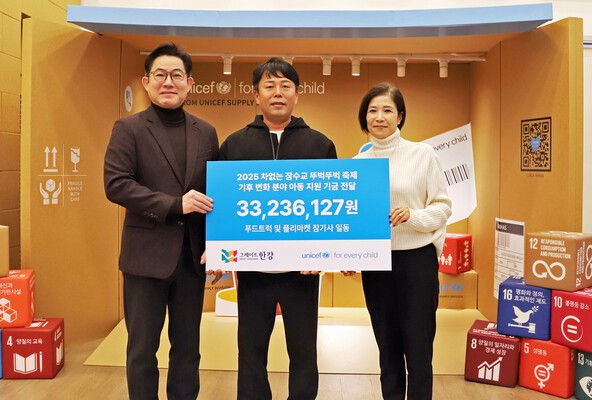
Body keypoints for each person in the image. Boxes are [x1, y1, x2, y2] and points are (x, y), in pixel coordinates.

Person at [104, 43, 219, 400]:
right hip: (145, 260)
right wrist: (173, 205)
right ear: (146, 81)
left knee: (188, 350)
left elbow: (215, 194)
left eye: (177, 75)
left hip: (191, 260)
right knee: (142, 351)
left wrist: (217, 246)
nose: (168, 82)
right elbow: (116, 184)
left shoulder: (206, 132)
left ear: (189, 83)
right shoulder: (129, 128)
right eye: (160, 75)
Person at [218, 57, 337, 400]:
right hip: (252, 270)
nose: (278, 92)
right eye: (269, 86)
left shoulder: (320, 145)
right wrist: (217, 252)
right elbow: (222, 204)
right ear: (256, 95)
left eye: (286, 86)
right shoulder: (234, 145)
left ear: (297, 94)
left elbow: (330, 205)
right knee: (250, 352)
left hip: (302, 271)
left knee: (304, 351)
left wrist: (325, 253)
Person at [352, 83, 451, 400]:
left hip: (416, 261)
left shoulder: (423, 154)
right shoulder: (358, 163)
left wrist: (413, 215)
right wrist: (349, 256)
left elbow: (443, 207)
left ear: (400, 116)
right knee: (387, 346)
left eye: (387, 110)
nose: (379, 117)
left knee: (419, 347)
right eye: (372, 110)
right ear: (364, 117)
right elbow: (354, 218)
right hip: (376, 264)